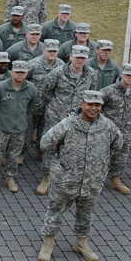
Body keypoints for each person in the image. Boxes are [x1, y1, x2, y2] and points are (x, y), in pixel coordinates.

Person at [37, 90, 124, 261]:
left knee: (86, 214)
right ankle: (48, 243)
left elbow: (117, 145)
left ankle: (81, 243)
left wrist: (99, 164)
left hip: (92, 181)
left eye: (97, 105)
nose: (94, 108)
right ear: (82, 104)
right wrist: (62, 162)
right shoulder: (68, 124)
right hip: (66, 180)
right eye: (90, 104)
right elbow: (45, 144)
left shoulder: (107, 126)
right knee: (55, 212)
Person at [35, 45, 98, 195]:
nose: (79, 60)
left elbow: (91, 94)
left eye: (82, 58)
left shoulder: (92, 74)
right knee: (51, 147)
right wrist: (53, 107)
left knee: (73, 148)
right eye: (77, 57)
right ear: (70, 57)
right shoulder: (57, 72)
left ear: (87, 59)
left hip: (77, 118)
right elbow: (45, 91)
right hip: (56, 116)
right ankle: (46, 177)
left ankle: (67, 177)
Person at [0, 60, 39, 193]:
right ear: (12, 72)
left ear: (26, 74)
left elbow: (31, 106)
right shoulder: (0, 88)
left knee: (14, 156)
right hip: (1, 128)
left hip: (19, 129)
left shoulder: (31, 89)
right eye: (17, 72)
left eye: (23, 72)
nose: (20, 75)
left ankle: (10, 177)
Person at [100, 63, 131, 195]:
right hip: (108, 132)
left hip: (127, 132)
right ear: (122, 74)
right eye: (128, 75)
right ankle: (93, 181)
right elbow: (96, 108)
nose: (130, 78)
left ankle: (115, 180)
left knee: (121, 157)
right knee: (101, 156)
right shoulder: (108, 91)